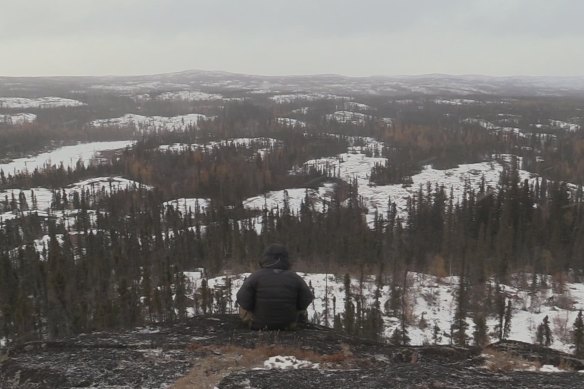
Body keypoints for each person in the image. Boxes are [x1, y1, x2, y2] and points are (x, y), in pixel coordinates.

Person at [236, 243, 313, 330]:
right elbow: (307, 299)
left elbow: (242, 299)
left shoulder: (255, 276)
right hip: (289, 325)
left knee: (243, 308)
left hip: (258, 325)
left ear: (265, 258)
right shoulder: (295, 277)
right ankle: (294, 322)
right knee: (303, 311)